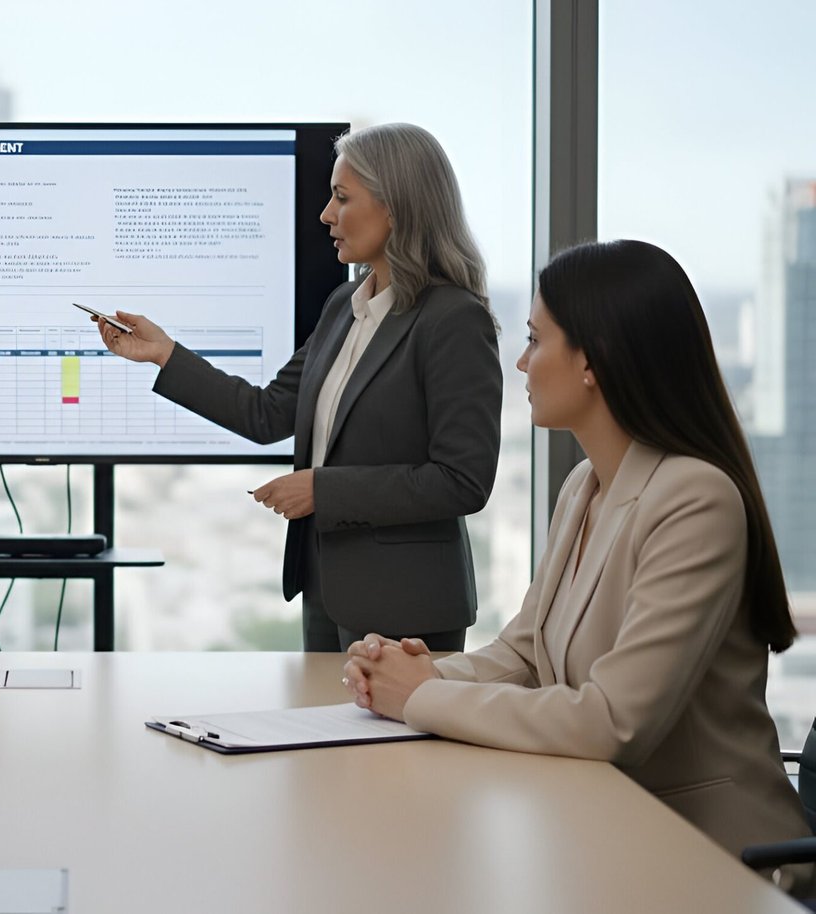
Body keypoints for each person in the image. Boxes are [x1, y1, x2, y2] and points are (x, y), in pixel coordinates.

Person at [342, 240, 810, 880]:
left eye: (536, 340)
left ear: (591, 361)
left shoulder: (695, 499)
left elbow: (614, 721)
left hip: (713, 858)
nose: (521, 362)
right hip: (610, 827)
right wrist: (415, 676)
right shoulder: (584, 485)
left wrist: (421, 698)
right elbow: (526, 654)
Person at [96, 123, 502, 651]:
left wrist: (322, 489)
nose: (325, 215)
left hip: (409, 608)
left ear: (396, 207)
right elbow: (267, 413)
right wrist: (165, 354)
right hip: (328, 592)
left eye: (341, 197)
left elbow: (463, 480)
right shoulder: (344, 307)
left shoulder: (452, 320)